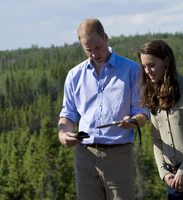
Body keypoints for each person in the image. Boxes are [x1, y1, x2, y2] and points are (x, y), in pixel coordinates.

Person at [58, 18, 148, 200]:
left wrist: (133, 121)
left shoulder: (132, 70)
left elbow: (143, 113)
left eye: (97, 47)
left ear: (105, 38)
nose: (94, 54)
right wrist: (63, 134)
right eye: (88, 50)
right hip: (84, 155)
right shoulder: (74, 75)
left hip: (118, 154)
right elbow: (68, 114)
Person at [138, 39, 183, 200]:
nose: (147, 71)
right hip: (173, 181)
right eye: (144, 66)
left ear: (166, 61)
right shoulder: (154, 97)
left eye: (151, 65)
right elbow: (157, 140)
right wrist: (164, 173)